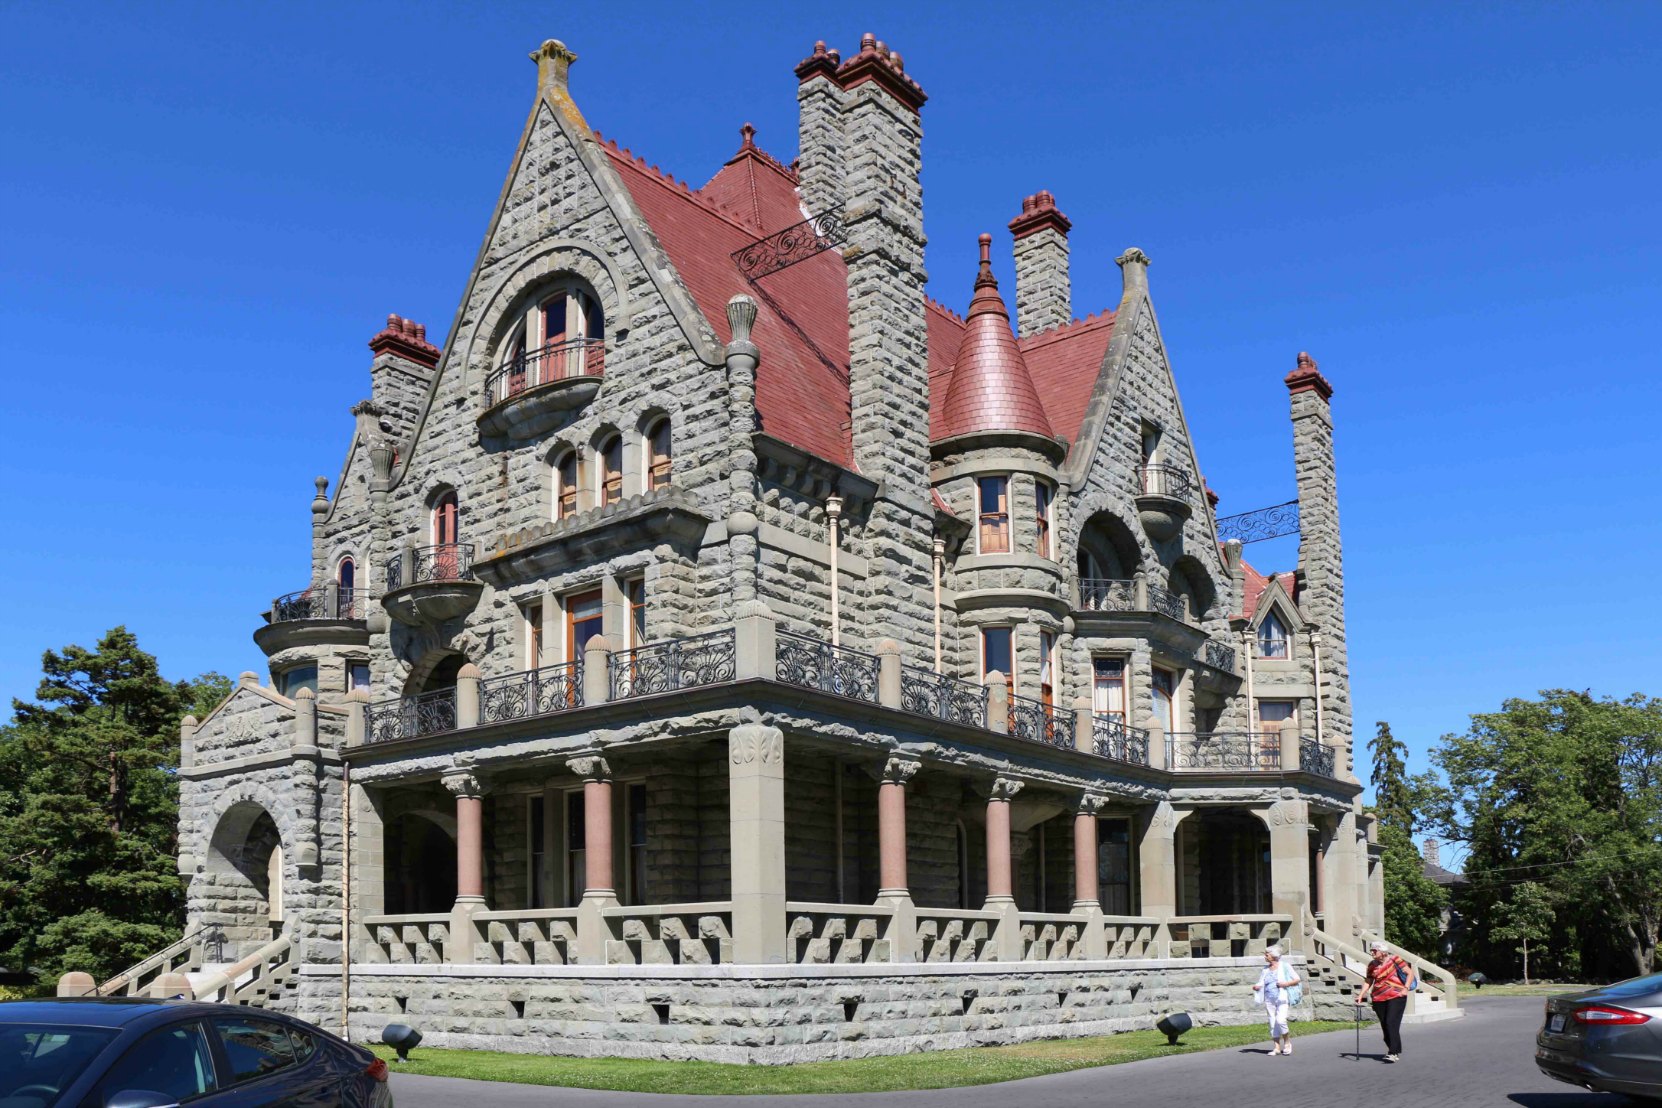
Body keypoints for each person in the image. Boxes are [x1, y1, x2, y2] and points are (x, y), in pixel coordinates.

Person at [1356, 939, 1415, 1062]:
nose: (1372, 952)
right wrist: (1361, 994)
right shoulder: (1372, 964)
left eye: (1374, 950)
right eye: (1371, 950)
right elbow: (1369, 980)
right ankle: (1393, 1049)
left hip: (1396, 996)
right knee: (1385, 1026)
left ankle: (1393, 1052)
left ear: (1382, 952)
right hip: (1378, 998)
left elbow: (1410, 973)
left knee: (1390, 1022)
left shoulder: (1395, 960)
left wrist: (1406, 988)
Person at [1252, 944, 1302, 1056]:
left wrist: (1285, 984)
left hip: (1282, 998)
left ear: (1273, 956)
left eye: (1267, 954)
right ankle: (1277, 1047)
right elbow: (1261, 982)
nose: (1265, 956)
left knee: (1281, 1020)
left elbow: (1297, 979)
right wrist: (1257, 987)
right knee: (1272, 1022)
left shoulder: (1285, 966)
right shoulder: (1265, 969)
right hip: (1269, 999)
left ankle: (1287, 1043)